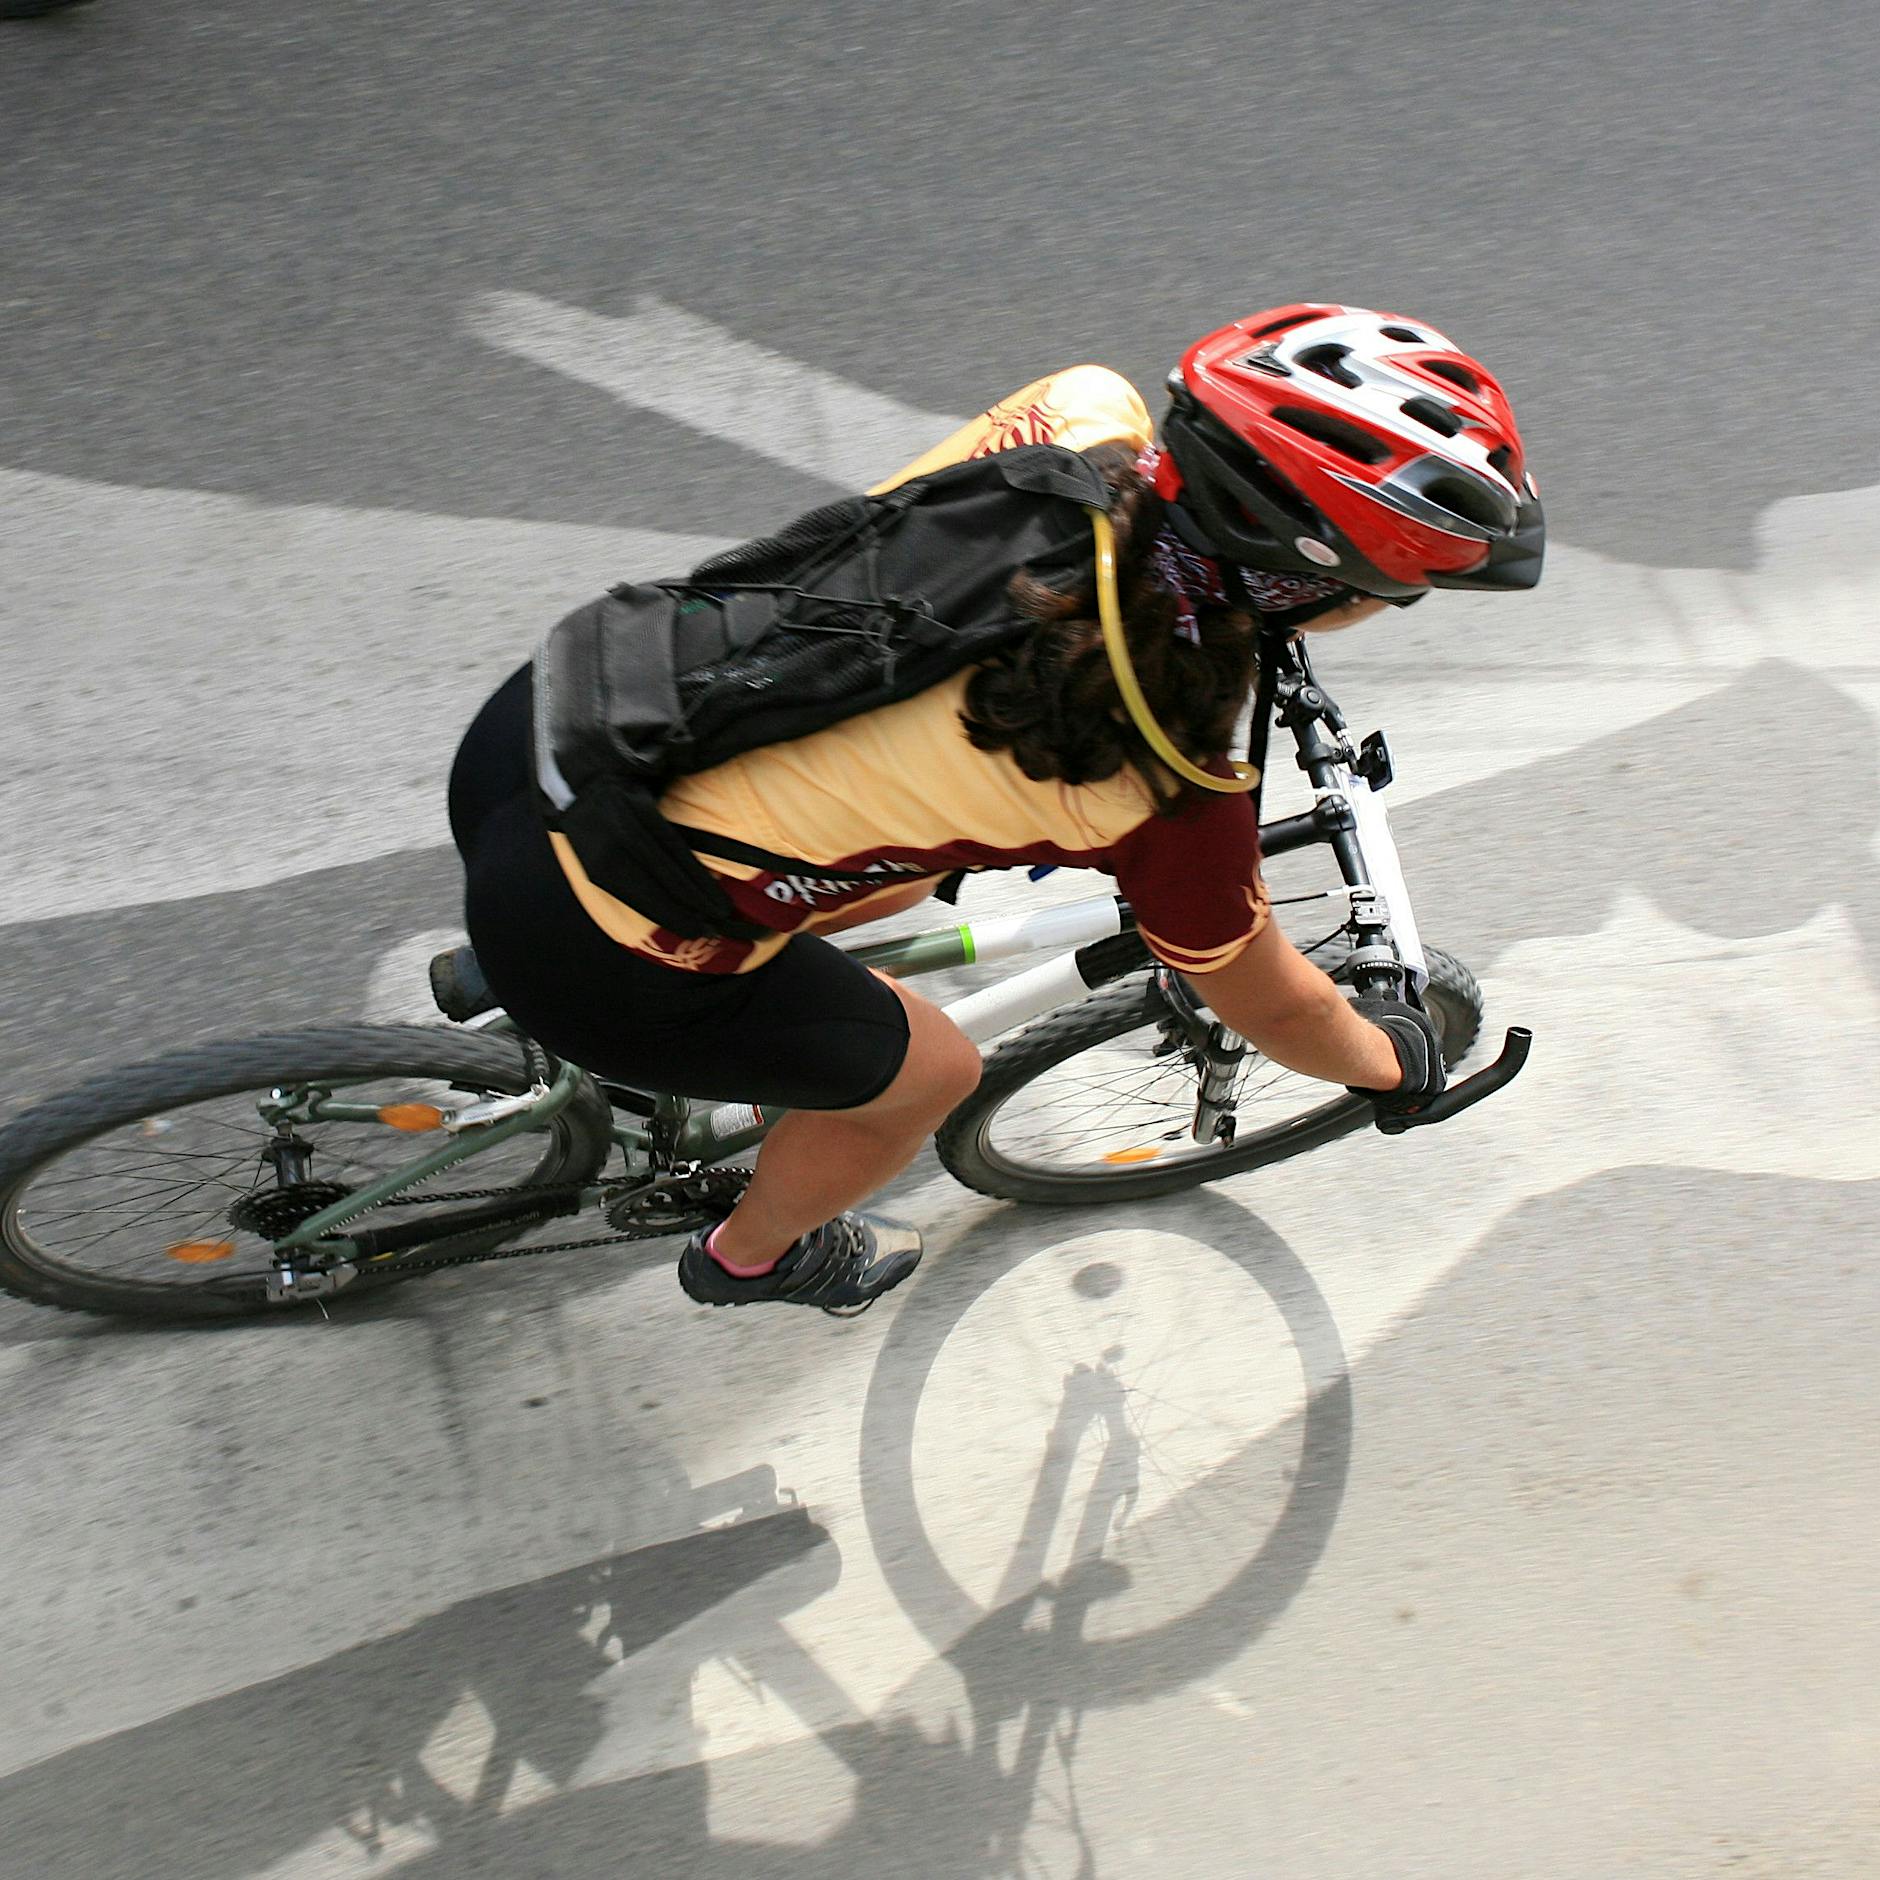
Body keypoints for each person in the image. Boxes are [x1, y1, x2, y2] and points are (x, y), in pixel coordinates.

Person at [448, 304, 1543, 1313]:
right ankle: (754, 1255)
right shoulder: (1161, 781)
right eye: (1395, 589)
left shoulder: (1074, 418)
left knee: (915, 867)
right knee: (932, 1073)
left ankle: (550, 964)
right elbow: (1284, 1011)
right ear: (1310, 579)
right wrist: (1390, 1064)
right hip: (591, 913)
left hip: (566, 706)